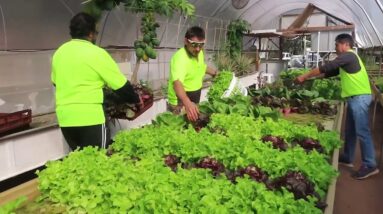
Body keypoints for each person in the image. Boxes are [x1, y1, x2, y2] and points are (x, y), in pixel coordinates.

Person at [51, 12, 141, 150]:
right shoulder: (96, 53)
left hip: (65, 118)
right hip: (90, 117)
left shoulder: (59, 53)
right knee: (97, 160)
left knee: (79, 161)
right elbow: (121, 85)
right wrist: (135, 98)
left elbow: (55, 82)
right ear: (91, 34)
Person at [296, 33, 379, 180]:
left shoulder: (349, 55)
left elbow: (326, 67)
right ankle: (348, 157)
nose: (335, 48)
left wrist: (305, 76)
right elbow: (329, 72)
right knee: (350, 130)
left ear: (345, 44)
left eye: (336, 45)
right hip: (355, 99)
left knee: (362, 131)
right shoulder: (347, 60)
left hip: (359, 98)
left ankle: (370, 164)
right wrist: (312, 78)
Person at [167, 26, 218, 121]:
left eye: (201, 45)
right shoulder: (180, 58)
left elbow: (201, 66)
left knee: (193, 124)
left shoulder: (199, 53)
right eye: (194, 45)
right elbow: (177, 83)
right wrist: (187, 102)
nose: (198, 49)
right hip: (180, 100)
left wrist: (215, 73)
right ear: (186, 41)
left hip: (194, 95)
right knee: (179, 127)